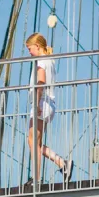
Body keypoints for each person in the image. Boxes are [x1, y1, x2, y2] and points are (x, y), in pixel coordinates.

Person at [24, 33, 72, 187]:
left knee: (32, 141)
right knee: (35, 142)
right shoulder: (50, 61)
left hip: (42, 103)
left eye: (30, 49)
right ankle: (62, 163)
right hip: (49, 104)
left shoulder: (41, 62)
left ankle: (37, 180)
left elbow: (40, 82)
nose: (29, 53)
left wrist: (36, 105)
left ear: (37, 46)